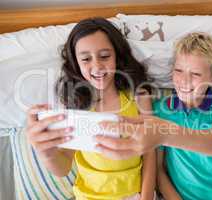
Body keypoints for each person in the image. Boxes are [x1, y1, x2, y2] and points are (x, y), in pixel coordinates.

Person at [95, 32, 212, 199]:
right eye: (179, 70)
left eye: (196, 74)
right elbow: (159, 172)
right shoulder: (161, 110)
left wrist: (164, 133)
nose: (184, 80)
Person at [25, 18, 156, 200]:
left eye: (104, 56)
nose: (97, 66)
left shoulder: (138, 94)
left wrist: (147, 196)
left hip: (134, 193)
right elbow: (63, 168)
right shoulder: (74, 104)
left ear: (117, 56)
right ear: (76, 63)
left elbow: (150, 151)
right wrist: (47, 154)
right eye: (86, 59)